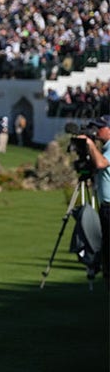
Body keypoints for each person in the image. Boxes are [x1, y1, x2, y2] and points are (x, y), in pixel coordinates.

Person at [73, 114, 110, 285]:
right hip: (105, 206)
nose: (96, 131)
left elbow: (101, 164)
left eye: (100, 127)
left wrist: (89, 143)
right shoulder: (105, 148)